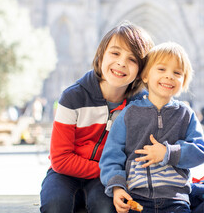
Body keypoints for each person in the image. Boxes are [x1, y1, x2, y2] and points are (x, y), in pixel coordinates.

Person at [40, 21, 154, 213]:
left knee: (106, 207)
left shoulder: (140, 105)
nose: (121, 63)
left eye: (132, 59)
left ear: (141, 71)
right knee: (55, 205)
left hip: (108, 177)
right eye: (115, 53)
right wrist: (109, 171)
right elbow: (60, 159)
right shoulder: (73, 97)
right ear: (101, 55)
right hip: (65, 173)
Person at [99, 42, 204, 213]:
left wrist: (168, 153)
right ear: (145, 76)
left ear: (184, 81)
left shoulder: (186, 114)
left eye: (177, 73)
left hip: (176, 198)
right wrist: (117, 187)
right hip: (136, 197)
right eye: (162, 69)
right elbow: (112, 156)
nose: (169, 76)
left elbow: (200, 152)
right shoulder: (129, 114)